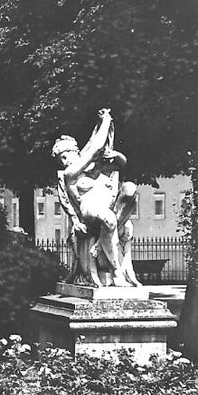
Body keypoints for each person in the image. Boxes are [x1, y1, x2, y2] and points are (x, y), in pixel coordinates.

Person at [52, 108, 140, 287]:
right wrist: (106, 120)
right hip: (89, 208)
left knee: (131, 190)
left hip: (110, 206)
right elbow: (96, 145)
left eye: (64, 156)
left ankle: (101, 243)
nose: (63, 161)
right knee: (108, 219)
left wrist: (116, 156)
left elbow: (120, 164)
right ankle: (116, 271)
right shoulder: (71, 173)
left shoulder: (94, 165)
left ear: (74, 151)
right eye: (60, 159)